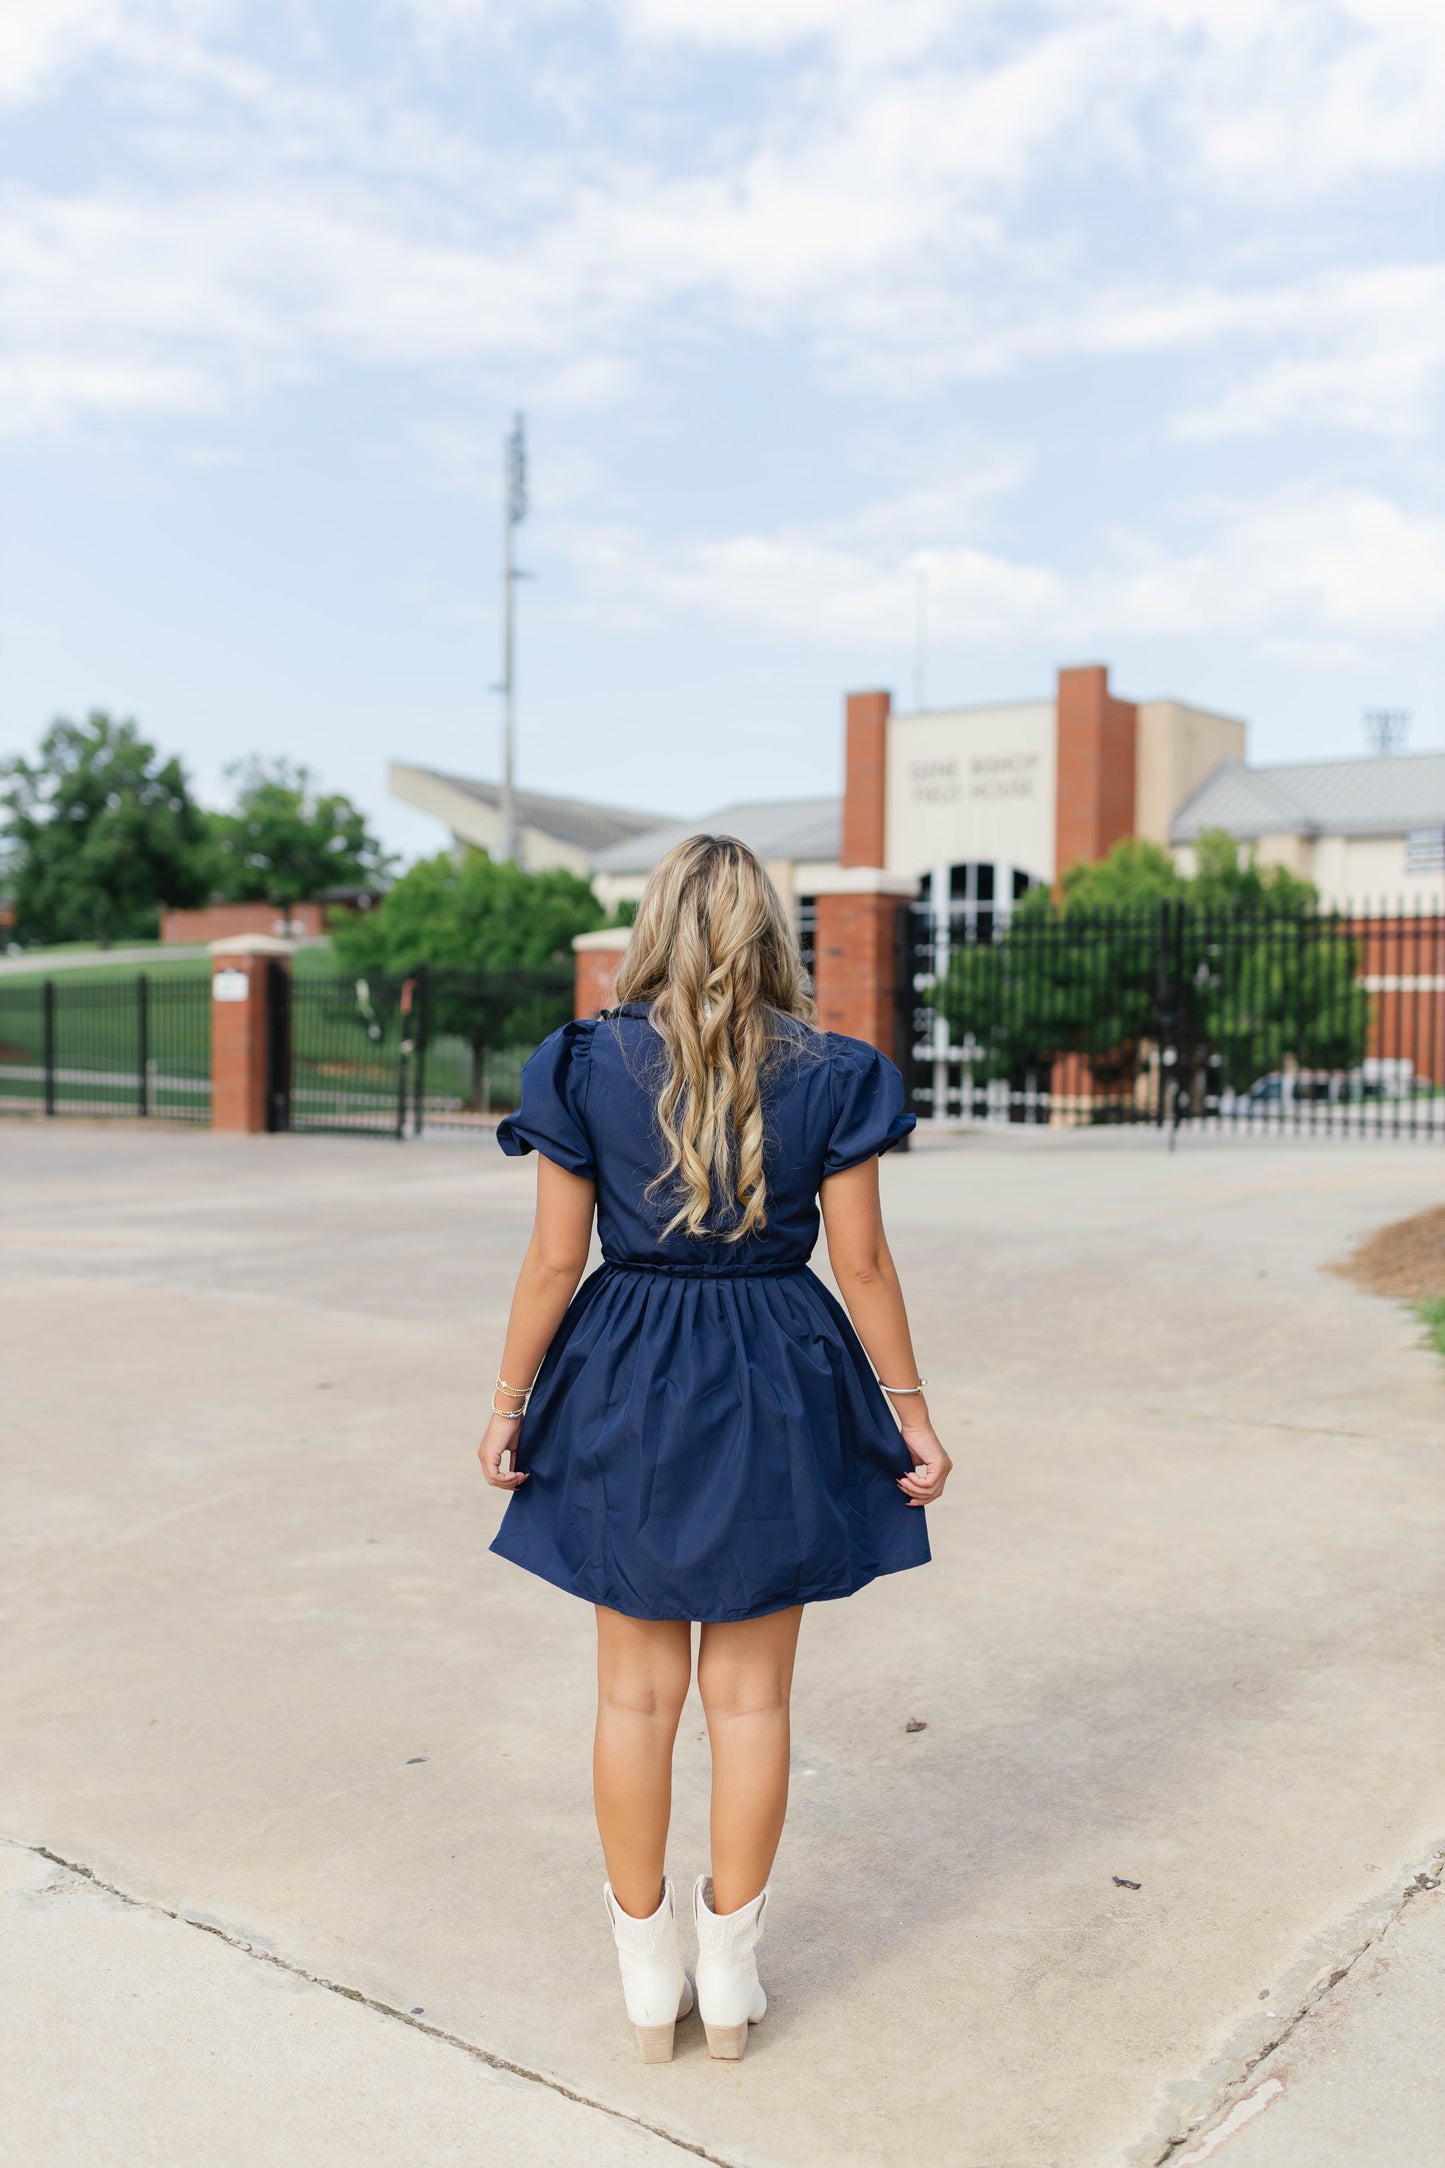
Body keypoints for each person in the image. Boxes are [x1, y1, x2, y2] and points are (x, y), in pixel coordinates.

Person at [478, 834, 951, 2063]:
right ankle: (728, 1977)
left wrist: (505, 1399)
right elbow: (860, 1264)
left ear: (651, 927)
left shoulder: (584, 1063)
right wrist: (908, 1408)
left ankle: (649, 1979)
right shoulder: (834, 1072)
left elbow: (550, 1260)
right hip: (774, 1372)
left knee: (632, 1694)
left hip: (627, 1371)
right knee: (751, 1699)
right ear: (769, 933)